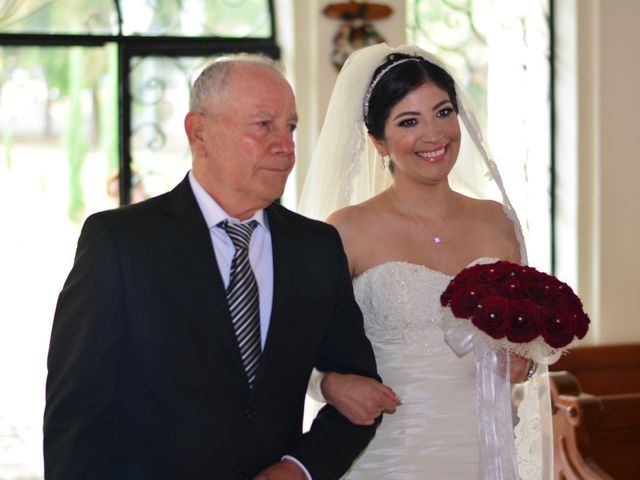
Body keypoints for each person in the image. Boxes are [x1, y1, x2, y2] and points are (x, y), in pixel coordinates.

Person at [44, 55, 388, 480]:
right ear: (198, 131)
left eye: (291, 127)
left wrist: (300, 468)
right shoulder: (121, 243)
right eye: (263, 125)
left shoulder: (315, 247)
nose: (286, 145)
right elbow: (76, 413)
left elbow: (360, 392)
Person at [299, 43, 553, 479]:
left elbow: (525, 340)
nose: (434, 134)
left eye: (443, 112)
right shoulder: (346, 230)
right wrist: (328, 385)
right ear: (378, 141)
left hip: (482, 449)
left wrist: (524, 362)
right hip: (387, 454)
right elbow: (293, 350)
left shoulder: (498, 221)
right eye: (409, 122)